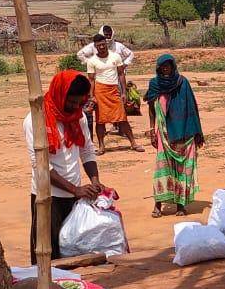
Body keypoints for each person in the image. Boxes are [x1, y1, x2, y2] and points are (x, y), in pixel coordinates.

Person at [24, 70, 104, 264]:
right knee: (47, 257)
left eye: (79, 102)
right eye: (71, 102)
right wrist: (75, 189)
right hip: (48, 198)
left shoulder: (79, 118)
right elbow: (41, 166)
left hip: (75, 197)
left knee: (73, 253)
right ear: (60, 94)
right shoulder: (35, 120)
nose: (75, 107)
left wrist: (95, 181)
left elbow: (86, 150)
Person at [146, 54, 205, 217]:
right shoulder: (154, 84)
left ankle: (180, 206)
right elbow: (151, 109)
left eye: (168, 65)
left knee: (182, 170)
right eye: (163, 66)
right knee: (162, 167)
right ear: (158, 68)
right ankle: (158, 205)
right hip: (164, 134)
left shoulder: (182, 82)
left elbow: (191, 107)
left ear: (173, 66)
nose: (166, 68)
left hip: (183, 133)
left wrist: (195, 132)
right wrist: (152, 130)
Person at [84, 34, 143, 154]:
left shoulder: (115, 56)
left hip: (114, 90)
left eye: (103, 44)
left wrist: (124, 92)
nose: (101, 47)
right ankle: (101, 146)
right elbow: (91, 80)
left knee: (122, 118)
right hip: (100, 92)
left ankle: (133, 143)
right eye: (98, 45)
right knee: (100, 121)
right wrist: (92, 96)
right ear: (95, 47)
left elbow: (121, 74)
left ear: (106, 43)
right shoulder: (92, 61)